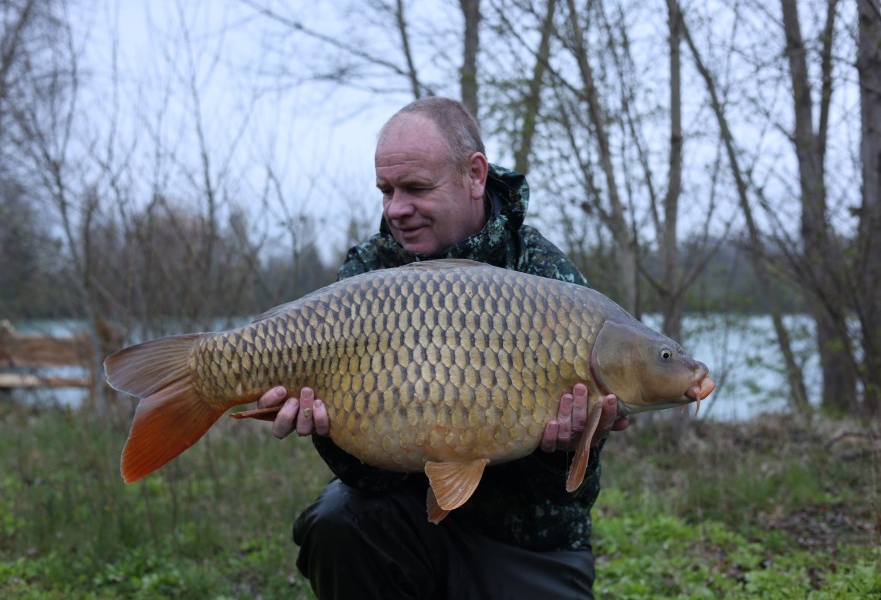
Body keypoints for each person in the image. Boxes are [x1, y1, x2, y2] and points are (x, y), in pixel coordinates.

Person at [257, 97, 629, 599]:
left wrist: (561, 451)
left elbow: (574, 495)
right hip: (407, 524)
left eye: (415, 188)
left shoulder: (546, 277)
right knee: (340, 522)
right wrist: (328, 430)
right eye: (386, 191)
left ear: (475, 176)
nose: (396, 210)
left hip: (525, 544)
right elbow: (364, 479)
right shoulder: (368, 273)